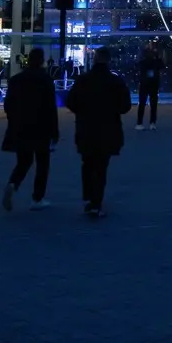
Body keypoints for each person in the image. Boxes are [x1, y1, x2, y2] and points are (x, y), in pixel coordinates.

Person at [64, 46, 131, 218]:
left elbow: (70, 101)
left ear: (94, 59)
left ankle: (88, 197)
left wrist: (83, 111)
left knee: (87, 163)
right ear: (109, 60)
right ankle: (96, 202)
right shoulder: (115, 81)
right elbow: (125, 107)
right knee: (101, 167)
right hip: (108, 129)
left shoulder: (83, 80)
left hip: (86, 128)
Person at [1, 48, 59, 212]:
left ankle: (13, 184)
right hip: (41, 128)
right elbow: (50, 108)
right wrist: (55, 132)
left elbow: (8, 106)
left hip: (21, 127)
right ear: (42, 61)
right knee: (42, 163)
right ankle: (37, 198)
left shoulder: (16, 80)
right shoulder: (46, 80)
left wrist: (14, 121)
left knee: (24, 161)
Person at [135, 41, 163, 130]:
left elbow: (139, 66)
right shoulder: (155, 60)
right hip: (152, 83)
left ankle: (140, 123)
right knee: (152, 104)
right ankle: (152, 123)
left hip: (145, 83)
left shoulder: (143, 61)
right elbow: (161, 66)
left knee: (143, 103)